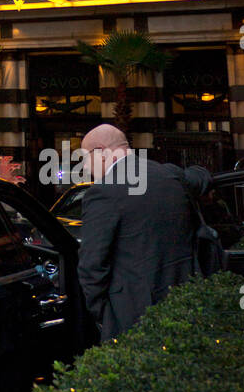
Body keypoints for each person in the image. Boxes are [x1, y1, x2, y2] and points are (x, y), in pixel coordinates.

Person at [76, 124, 210, 342]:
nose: (86, 167)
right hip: (188, 300)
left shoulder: (102, 192)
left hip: (133, 315)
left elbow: (91, 266)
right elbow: (201, 177)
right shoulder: (170, 174)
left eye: (85, 158)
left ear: (101, 152)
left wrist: (104, 314)